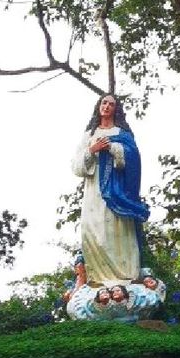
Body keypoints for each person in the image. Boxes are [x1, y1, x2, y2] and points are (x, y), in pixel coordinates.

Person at [71, 94, 149, 286]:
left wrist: (113, 147)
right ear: (99, 106)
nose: (107, 106)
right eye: (104, 102)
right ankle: (98, 279)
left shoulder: (123, 134)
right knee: (92, 228)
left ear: (116, 109)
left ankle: (126, 278)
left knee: (117, 230)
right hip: (94, 191)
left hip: (116, 192)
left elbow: (134, 159)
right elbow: (75, 166)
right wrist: (93, 149)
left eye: (111, 104)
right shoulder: (89, 135)